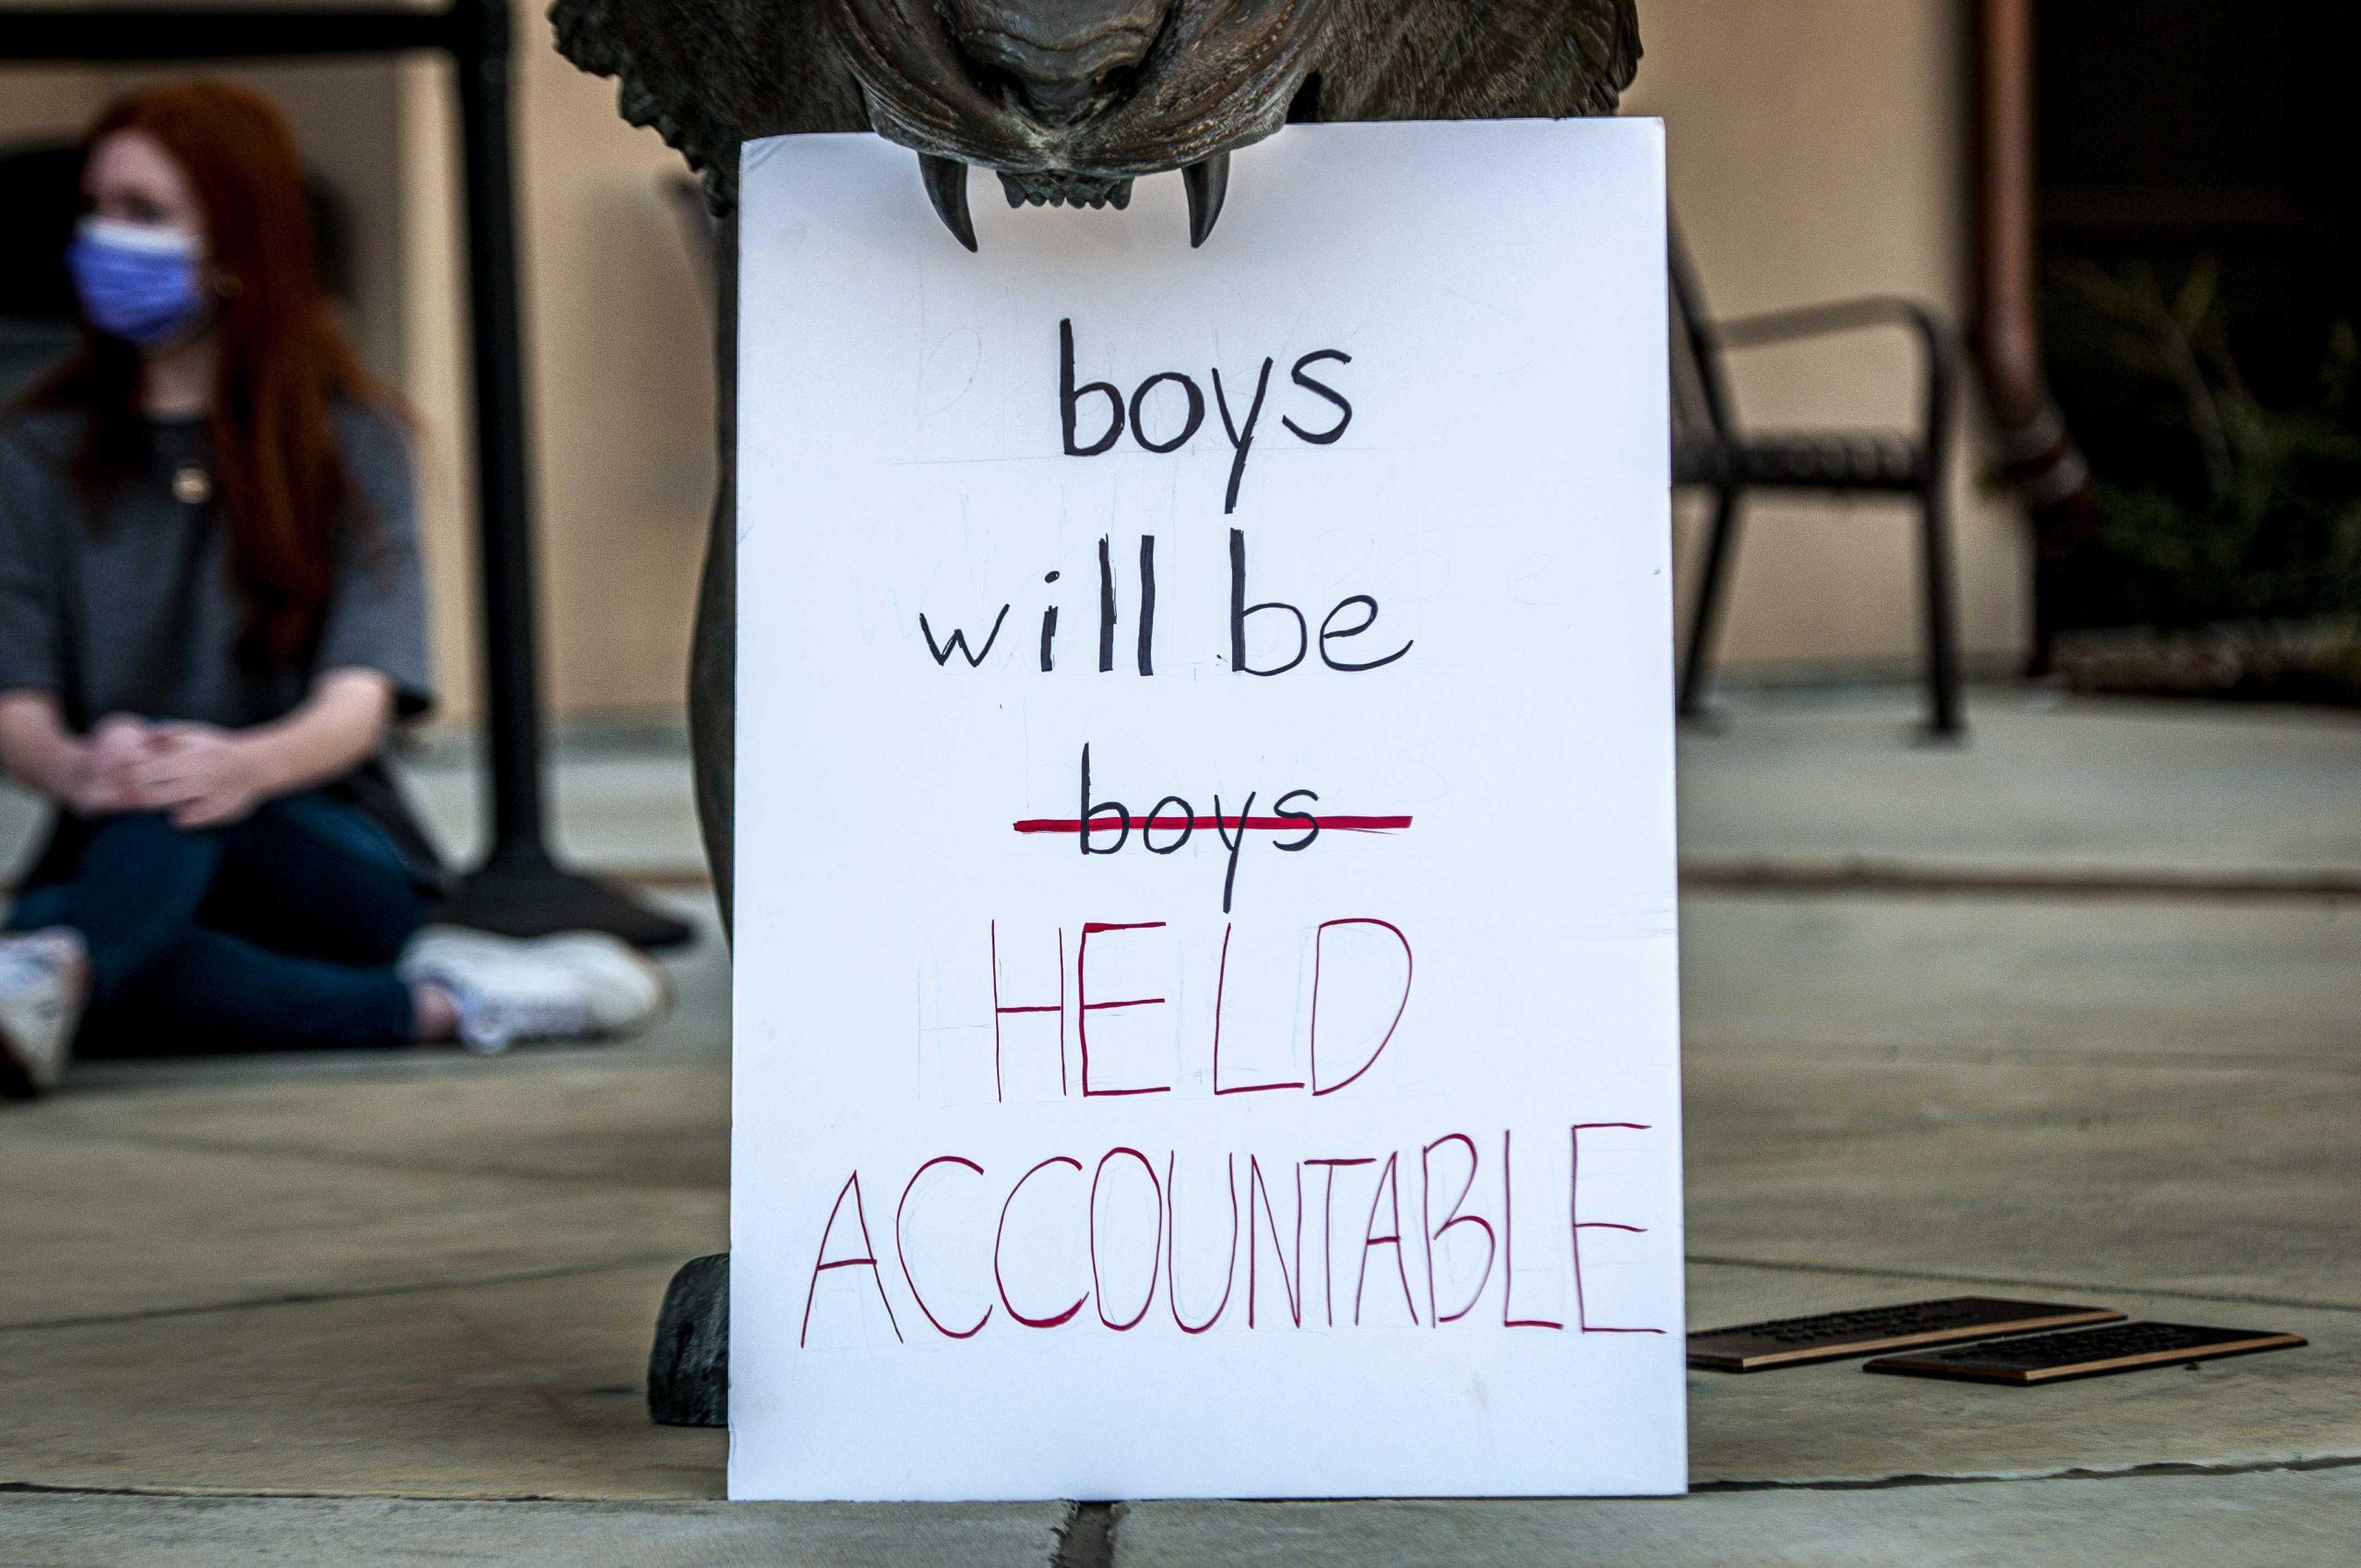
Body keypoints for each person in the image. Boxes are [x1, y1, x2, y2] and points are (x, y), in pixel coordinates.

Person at [0, 81, 667, 1099]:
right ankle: (452, 1003)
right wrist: (86, 766)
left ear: (235, 237)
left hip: (320, 848)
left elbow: (361, 696)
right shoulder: (35, 449)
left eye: (144, 213)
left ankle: (60, 963)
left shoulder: (350, 440)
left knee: (169, 805)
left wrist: (234, 764)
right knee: (132, 957)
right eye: (97, 209)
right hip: (114, 829)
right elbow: (17, 699)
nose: (105, 238)